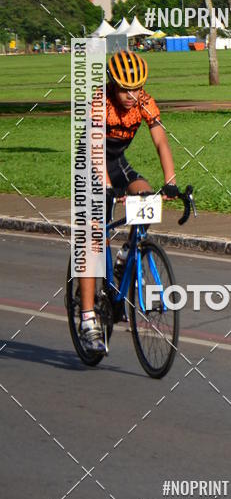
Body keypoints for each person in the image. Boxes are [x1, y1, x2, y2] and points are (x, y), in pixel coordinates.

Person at [78, 50, 178, 352]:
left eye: (136, 89)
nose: (131, 96)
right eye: (124, 89)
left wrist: (171, 181)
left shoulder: (145, 101)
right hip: (91, 164)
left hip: (118, 162)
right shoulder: (100, 103)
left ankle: (125, 257)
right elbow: (94, 150)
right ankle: (87, 318)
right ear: (112, 84)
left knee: (146, 196)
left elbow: (160, 140)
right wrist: (107, 188)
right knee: (95, 238)